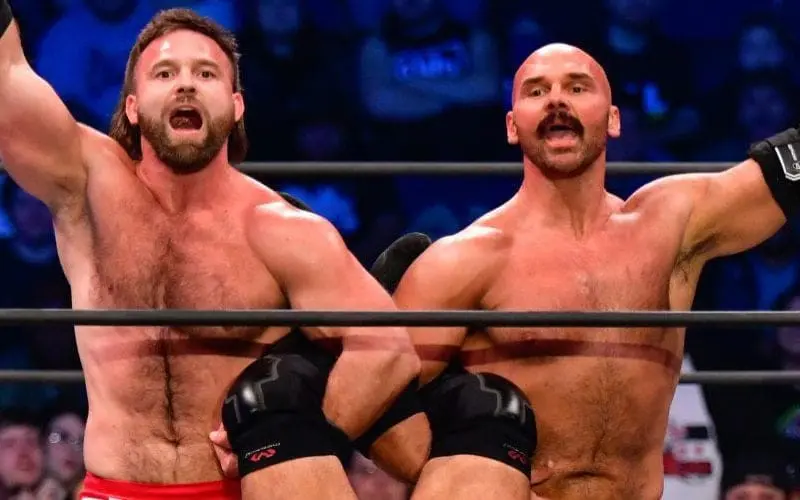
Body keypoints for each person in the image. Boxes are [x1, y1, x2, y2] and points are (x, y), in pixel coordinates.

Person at [0, 4, 422, 499]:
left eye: (206, 74)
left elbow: (387, 352)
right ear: (132, 106)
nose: (186, 85)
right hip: (113, 488)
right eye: (164, 73)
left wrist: (300, 441)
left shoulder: (282, 231)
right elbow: (7, 79)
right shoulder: (86, 185)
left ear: (236, 105)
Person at [374, 42, 796, 499]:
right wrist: (477, 480)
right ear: (513, 126)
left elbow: (782, 172)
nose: (557, 100)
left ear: (613, 119)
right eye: (537, 91)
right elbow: (376, 402)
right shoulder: (465, 259)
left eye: (577, 87)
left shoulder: (669, 226)